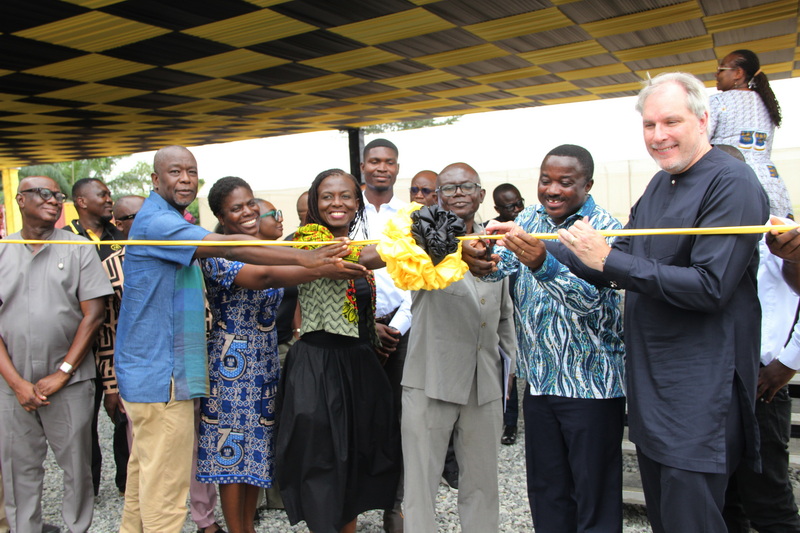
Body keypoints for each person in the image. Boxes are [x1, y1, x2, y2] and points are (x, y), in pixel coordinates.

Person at [483, 72, 768, 532]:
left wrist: (609, 259)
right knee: (664, 518)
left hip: (698, 392)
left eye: (670, 122)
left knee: (691, 518)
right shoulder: (661, 184)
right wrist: (527, 243)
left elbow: (710, 285)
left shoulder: (731, 181)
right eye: (649, 125)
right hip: (652, 391)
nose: (659, 136)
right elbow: (618, 261)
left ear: (702, 119)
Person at [115, 145, 350, 532]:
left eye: (191, 171)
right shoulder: (159, 222)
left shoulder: (171, 219)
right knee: (166, 496)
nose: (185, 179)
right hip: (162, 375)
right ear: (155, 180)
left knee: (144, 481)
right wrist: (305, 259)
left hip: (173, 372)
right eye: (175, 172)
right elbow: (232, 250)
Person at [197, 177, 366, 533]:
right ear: (220, 216)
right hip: (231, 367)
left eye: (250, 204)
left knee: (254, 455)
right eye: (235, 208)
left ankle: (249, 528)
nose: (246, 212)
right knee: (232, 458)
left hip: (264, 363)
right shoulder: (218, 253)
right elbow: (263, 276)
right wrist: (317, 264)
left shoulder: (263, 245)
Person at [482, 147, 625, 531]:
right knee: (547, 492)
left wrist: (543, 264)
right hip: (541, 383)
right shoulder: (529, 217)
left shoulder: (604, 228)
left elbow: (595, 305)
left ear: (587, 184)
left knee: (593, 496)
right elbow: (501, 270)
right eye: (547, 180)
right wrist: (481, 258)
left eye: (566, 182)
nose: (553, 190)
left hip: (592, 387)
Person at [276, 169, 401, 533]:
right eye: (327, 196)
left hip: (358, 364)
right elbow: (357, 259)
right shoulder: (307, 241)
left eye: (346, 195)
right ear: (314, 202)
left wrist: (370, 329)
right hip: (318, 366)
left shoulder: (356, 239)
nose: (337, 203)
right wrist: (411, 242)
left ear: (357, 202)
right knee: (323, 464)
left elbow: (360, 277)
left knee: (356, 462)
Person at [402, 163, 516, 532]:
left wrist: (509, 373)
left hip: (483, 382)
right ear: (436, 197)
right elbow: (413, 261)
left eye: (467, 186)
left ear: (482, 195)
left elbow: (504, 318)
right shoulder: (417, 241)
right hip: (430, 378)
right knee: (421, 485)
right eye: (448, 189)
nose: (459, 193)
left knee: (483, 483)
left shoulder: (498, 241)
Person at [0, 176, 113, 533]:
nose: (53, 200)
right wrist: (16, 383)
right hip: (11, 384)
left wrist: (63, 372)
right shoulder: (2, 249)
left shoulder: (79, 248)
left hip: (71, 381)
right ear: (20, 199)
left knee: (77, 468)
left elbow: (93, 316)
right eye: (44, 194)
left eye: (57, 196)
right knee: (19, 469)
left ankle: (76, 528)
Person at [723, 214, 800, 532]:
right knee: (724, 499)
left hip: (761, 381)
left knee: (767, 497)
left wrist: (788, 362)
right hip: (710, 379)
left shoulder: (780, 235)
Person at [360, 138, 410, 532]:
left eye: (388, 162)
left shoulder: (410, 215)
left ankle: (394, 506)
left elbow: (417, 276)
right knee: (359, 418)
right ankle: (353, 502)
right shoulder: (344, 208)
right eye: (374, 161)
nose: (382, 167)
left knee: (399, 419)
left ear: (396, 168)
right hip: (354, 328)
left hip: (401, 329)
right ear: (363, 166)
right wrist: (365, 327)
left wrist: (394, 328)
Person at [65, 177, 126, 495]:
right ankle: (87, 486)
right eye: (102, 194)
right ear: (81, 201)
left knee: (123, 415)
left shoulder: (122, 238)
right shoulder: (62, 239)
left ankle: (127, 482)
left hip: (117, 341)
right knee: (81, 422)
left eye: (109, 194)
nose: (109, 199)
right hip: (79, 343)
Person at [95, 195, 145, 497]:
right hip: (135, 374)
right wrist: (111, 385)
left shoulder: (180, 255)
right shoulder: (111, 267)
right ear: (119, 224)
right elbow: (107, 332)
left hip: (181, 370)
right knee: (138, 452)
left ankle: (202, 517)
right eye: (133, 217)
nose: (142, 222)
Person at [709, 49, 793, 219]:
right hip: (770, 182)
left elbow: (699, 143)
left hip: (731, 181)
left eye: (721, 69)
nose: (716, 74)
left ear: (738, 73)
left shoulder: (717, 102)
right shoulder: (766, 103)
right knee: (773, 237)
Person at [491, 182, 525, 446]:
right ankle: (509, 424)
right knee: (507, 363)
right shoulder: (490, 232)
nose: (518, 208)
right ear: (496, 209)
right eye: (510, 206)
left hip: (526, 307)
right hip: (504, 308)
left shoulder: (529, 224)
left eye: (519, 202)